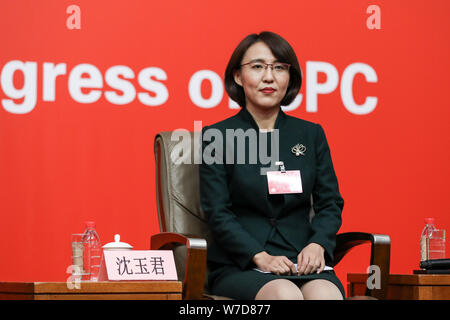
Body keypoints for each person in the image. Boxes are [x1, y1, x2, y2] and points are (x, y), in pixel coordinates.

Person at [199, 31, 345, 300]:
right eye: (257, 67)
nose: (269, 77)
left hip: (303, 261)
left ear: (290, 77)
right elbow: (217, 212)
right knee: (285, 294)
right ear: (238, 76)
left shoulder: (310, 134)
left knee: (326, 295)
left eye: (279, 67)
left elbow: (330, 202)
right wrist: (260, 256)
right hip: (241, 263)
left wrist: (318, 244)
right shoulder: (216, 136)